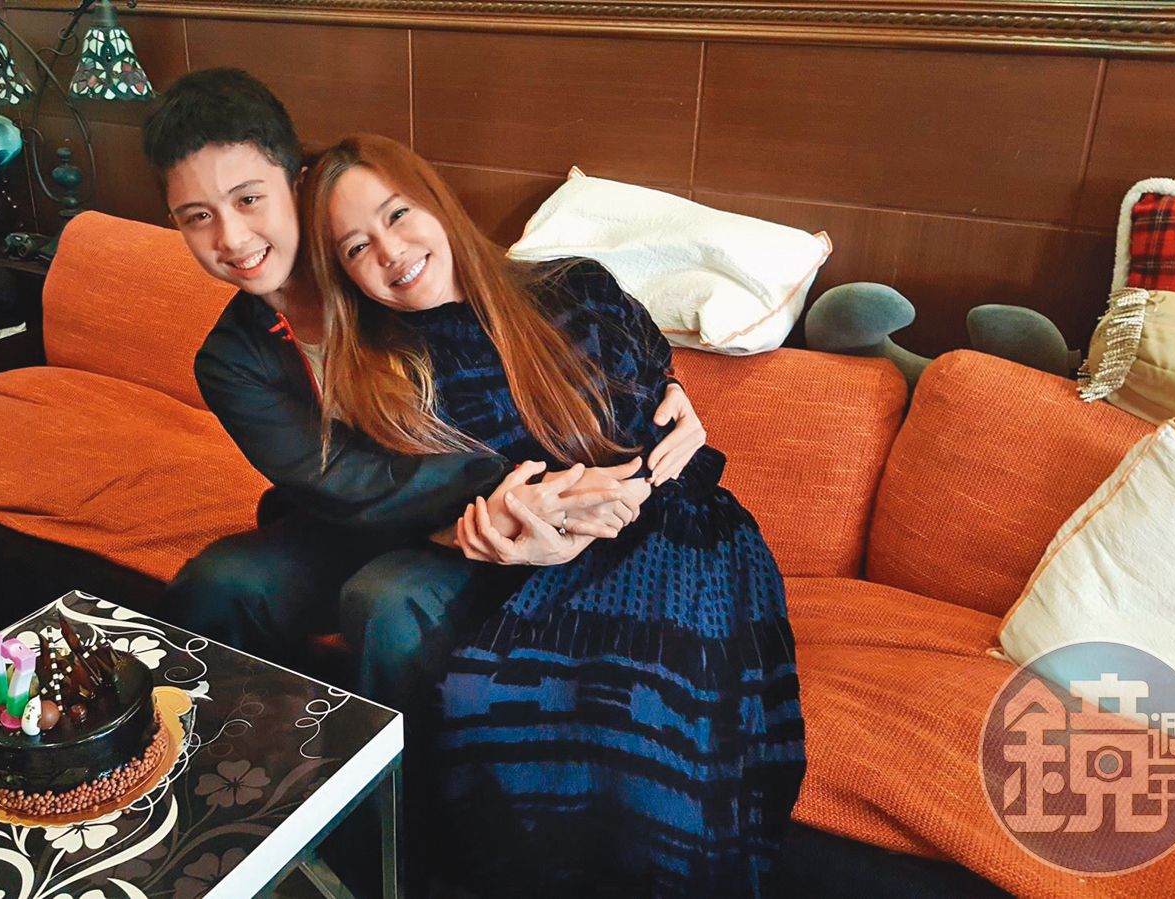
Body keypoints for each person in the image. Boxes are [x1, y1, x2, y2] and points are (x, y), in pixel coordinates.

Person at [305, 133, 806, 897]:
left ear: (436, 201)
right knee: (488, 696)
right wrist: (492, 530)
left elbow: (654, 395)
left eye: (397, 214)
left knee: (649, 717)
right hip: (536, 565)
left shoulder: (574, 283)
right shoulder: (382, 374)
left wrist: (675, 410)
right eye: (355, 247)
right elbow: (400, 502)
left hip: (682, 530)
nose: (390, 251)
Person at [140, 69, 709, 718]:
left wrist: (664, 390)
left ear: (298, 183)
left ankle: (399, 778)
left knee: (389, 602)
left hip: (483, 510)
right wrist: (525, 493)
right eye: (198, 217)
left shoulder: (394, 275)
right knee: (219, 584)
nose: (233, 238)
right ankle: (212, 753)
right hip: (367, 513)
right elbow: (342, 481)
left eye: (248, 200)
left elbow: (541, 331)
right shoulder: (233, 359)